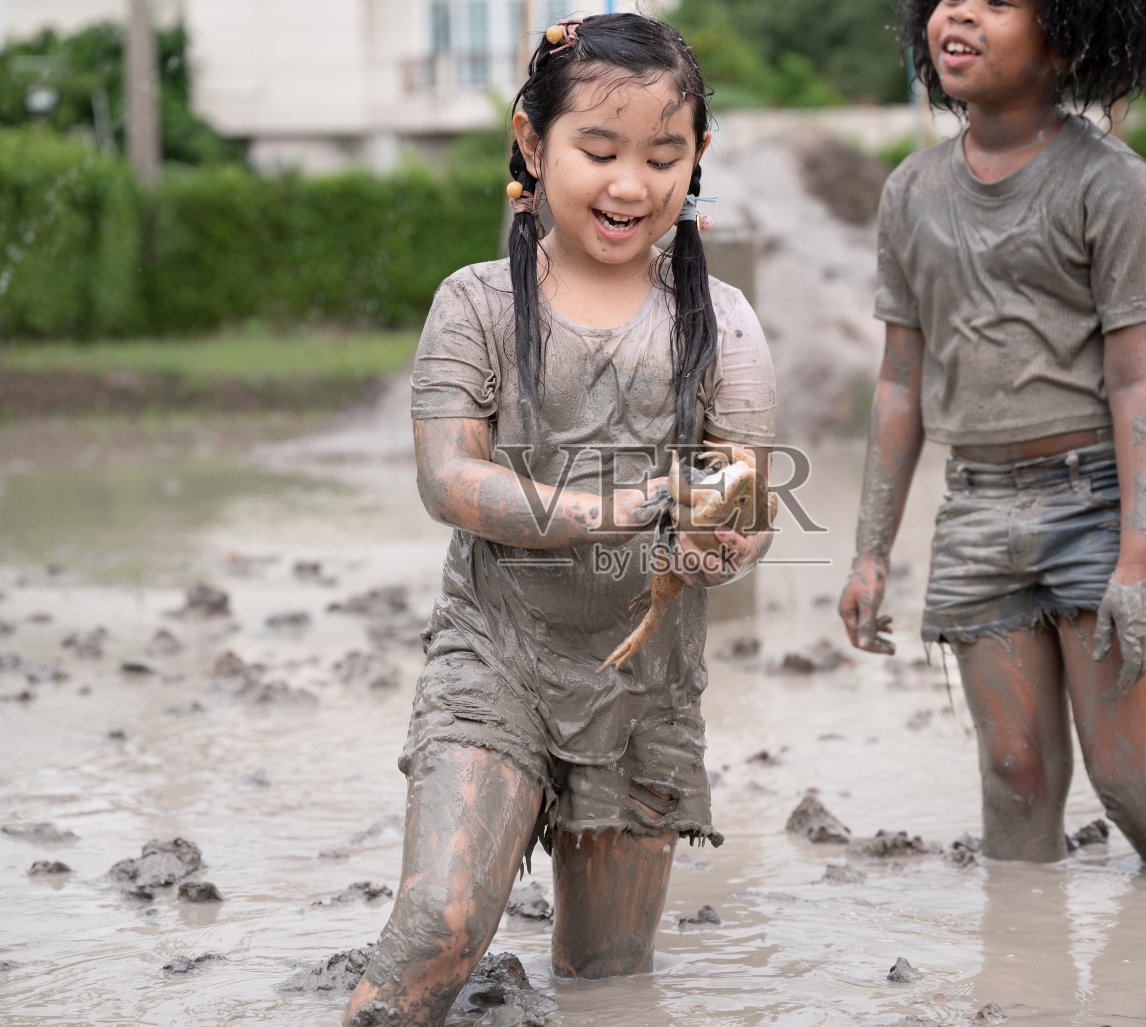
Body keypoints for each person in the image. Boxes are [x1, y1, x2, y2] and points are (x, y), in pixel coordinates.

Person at [343, 13, 776, 1025]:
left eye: (664, 156)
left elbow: (745, 501)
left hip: (645, 680)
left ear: (697, 159)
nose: (631, 184)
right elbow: (448, 479)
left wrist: (721, 544)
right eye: (599, 149)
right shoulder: (477, 305)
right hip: (496, 656)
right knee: (438, 926)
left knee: (607, 980)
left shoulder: (729, 321)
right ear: (532, 144)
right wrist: (609, 508)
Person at [838, 0, 1146, 868]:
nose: (960, 13)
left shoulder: (1113, 184)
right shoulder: (911, 191)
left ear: (1068, 37)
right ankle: (1023, 987)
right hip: (977, 509)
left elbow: (1141, 378)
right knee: (1013, 773)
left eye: (998, 1)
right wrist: (870, 551)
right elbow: (900, 382)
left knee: (1131, 780)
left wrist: (1139, 559)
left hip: (1101, 502)